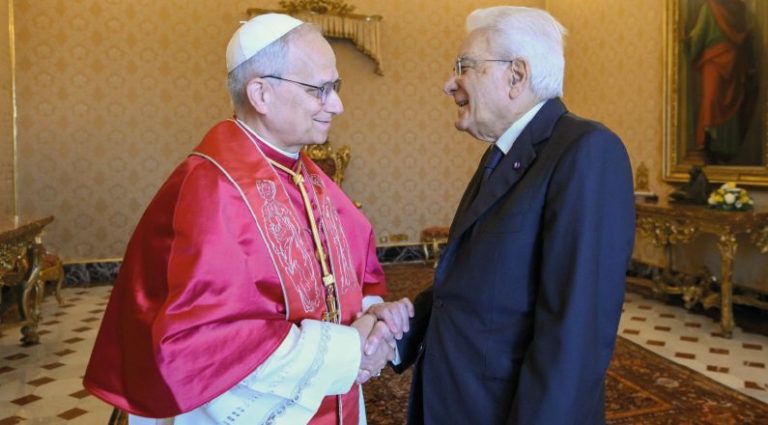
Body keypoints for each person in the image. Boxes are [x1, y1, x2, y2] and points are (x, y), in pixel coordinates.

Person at [83, 13, 410, 425]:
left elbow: (351, 275)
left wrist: (375, 316)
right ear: (261, 94)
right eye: (320, 90)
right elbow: (208, 343)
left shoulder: (307, 175)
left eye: (335, 88)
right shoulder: (212, 189)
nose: (337, 105)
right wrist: (351, 349)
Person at [388, 6, 636, 424]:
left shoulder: (586, 150)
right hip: (460, 401)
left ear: (516, 76)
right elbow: (472, 283)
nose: (449, 83)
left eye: (464, 67)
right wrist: (398, 338)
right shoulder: (503, 154)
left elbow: (575, 334)